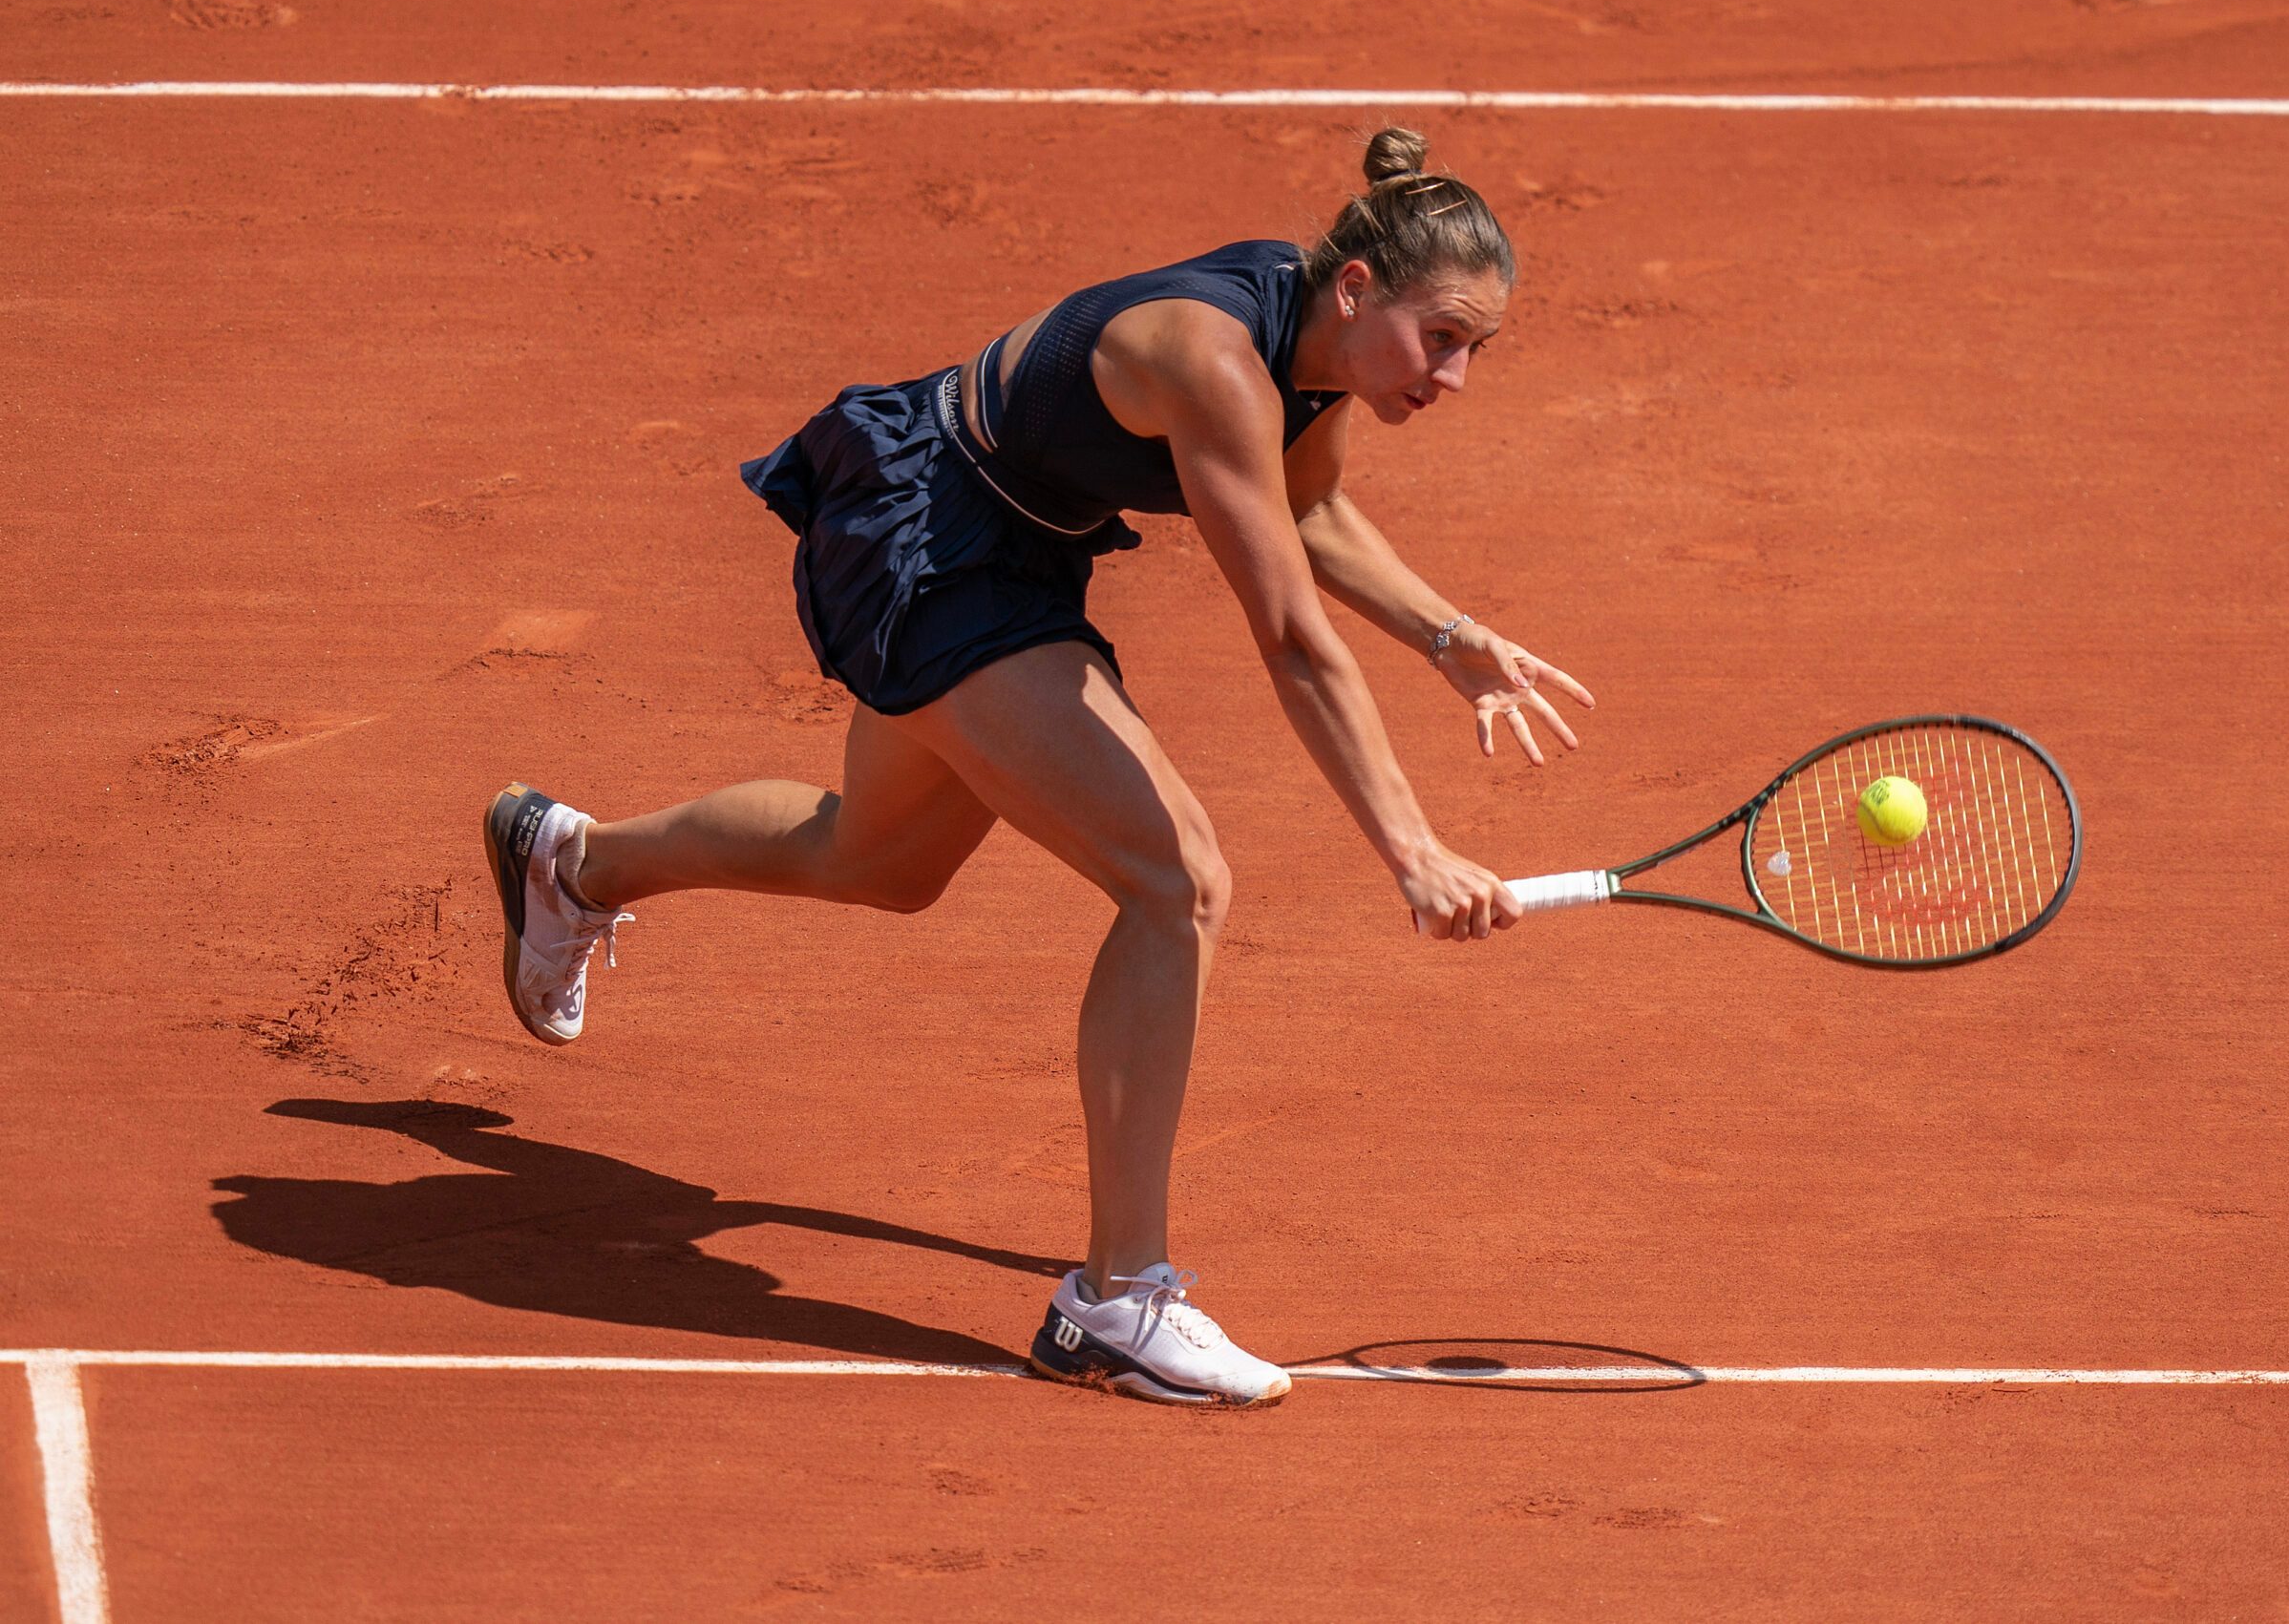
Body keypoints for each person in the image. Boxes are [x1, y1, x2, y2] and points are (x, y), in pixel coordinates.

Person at [482, 126, 1595, 1407]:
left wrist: (1451, 638)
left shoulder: (1310, 353)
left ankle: (569, 860)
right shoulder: (1215, 359)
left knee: (876, 859)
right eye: (1443, 339)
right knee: (1175, 883)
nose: (1455, 377)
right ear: (1357, 293)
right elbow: (1290, 633)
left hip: (991, 543)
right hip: (930, 542)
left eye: (1478, 351)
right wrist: (1413, 848)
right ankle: (1117, 1302)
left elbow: (1311, 507)